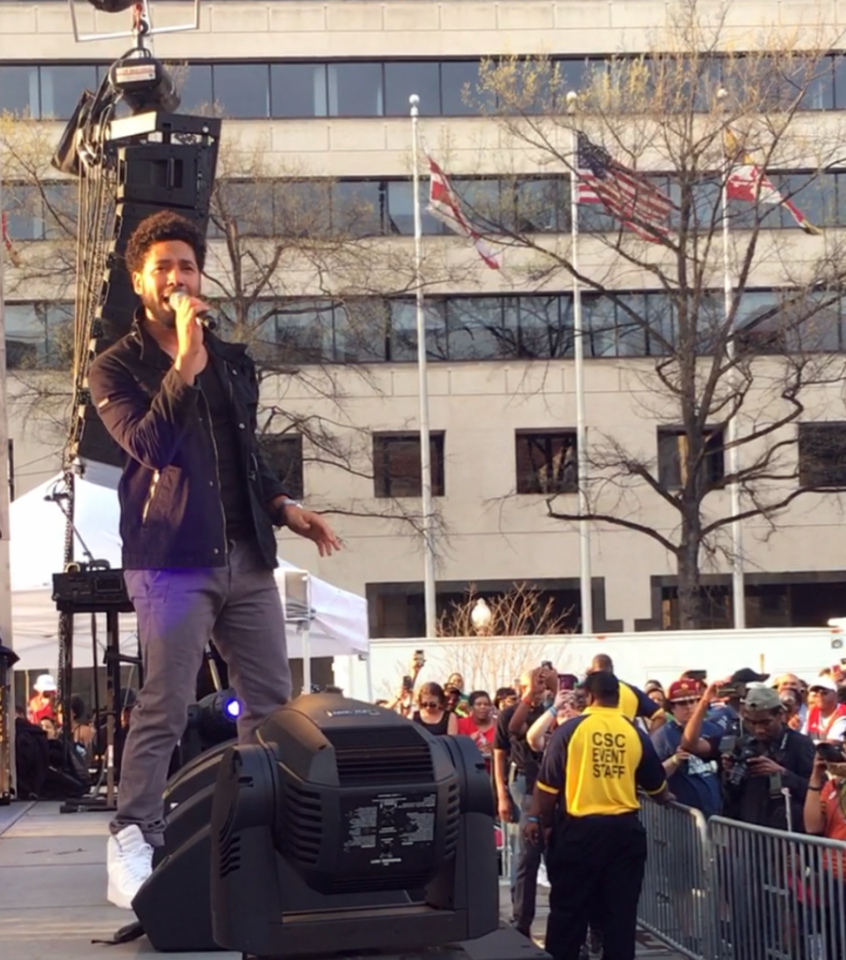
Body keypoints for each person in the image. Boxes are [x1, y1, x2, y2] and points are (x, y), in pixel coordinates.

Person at [88, 210, 340, 909]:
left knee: (270, 706)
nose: (177, 277)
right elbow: (151, 447)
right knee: (165, 703)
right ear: (140, 280)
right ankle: (133, 833)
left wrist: (284, 504)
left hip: (247, 555)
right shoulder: (115, 367)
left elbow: (244, 458)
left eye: (188, 267)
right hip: (170, 560)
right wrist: (183, 364)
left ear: (201, 277)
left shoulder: (231, 361)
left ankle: (265, 832)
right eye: (163, 267)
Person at [526, 671, 670, 960]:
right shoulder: (634, 733)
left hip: (578, 834)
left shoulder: (570, 731)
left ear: (590, 697)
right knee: (620, 919)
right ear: (618, 696)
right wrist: (666, 797)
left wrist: (545, 825)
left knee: (568, 915)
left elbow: (547, 788)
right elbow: (657, 786)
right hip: (623, 836)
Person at [495, 667, 554, 938]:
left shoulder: (554, 708)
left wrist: (555, 688)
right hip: (523, 782)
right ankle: (521, 921)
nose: (541, 686)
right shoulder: (510, 712)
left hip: (553, 784)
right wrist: (502, 795)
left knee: (554, 852)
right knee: (526, 854)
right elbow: (504, 745)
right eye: (536, 683)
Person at [720, 685, 814, 831]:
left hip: (788, 831)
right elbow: (730, 796)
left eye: (765, 722)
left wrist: (782, 773)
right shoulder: (742, 744)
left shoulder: (799, 744)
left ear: (780, 715)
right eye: (751, 722)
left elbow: (815, 792)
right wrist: (729, 772)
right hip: (750, 830)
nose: (759, 729)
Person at [651, 679, 722, 818]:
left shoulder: (712, 729)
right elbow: (652, 777)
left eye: (693, 701)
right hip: (682, 817)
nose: (689, 707)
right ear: (671, 707)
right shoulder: (662, 736)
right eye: (682, 703)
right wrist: (674, 761)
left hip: (715, 812)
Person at [587, 654, 664, 730]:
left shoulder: (586, 690)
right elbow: (660, 715)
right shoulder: (631, 691)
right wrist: (648, 740)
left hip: (590, 738)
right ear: (612, 668)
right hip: (625, 738)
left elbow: (659, 715)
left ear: (593, 670)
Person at [457, 691, 495, 769]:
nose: (483, 707)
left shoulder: (499, 724)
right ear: (471, 707)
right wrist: (470, 743)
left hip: (494, 770)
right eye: (478, 704)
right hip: (469, 771)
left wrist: (495, 748)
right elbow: (456, 750)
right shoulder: (460, 724)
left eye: (486, 704)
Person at [803, 677, 846, 741]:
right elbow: (802, 736)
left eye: (824, 693)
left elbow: (834, 741)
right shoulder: (811, 712)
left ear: (835, 695)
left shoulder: (843, 713)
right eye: (815, 694)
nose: (819, 696)